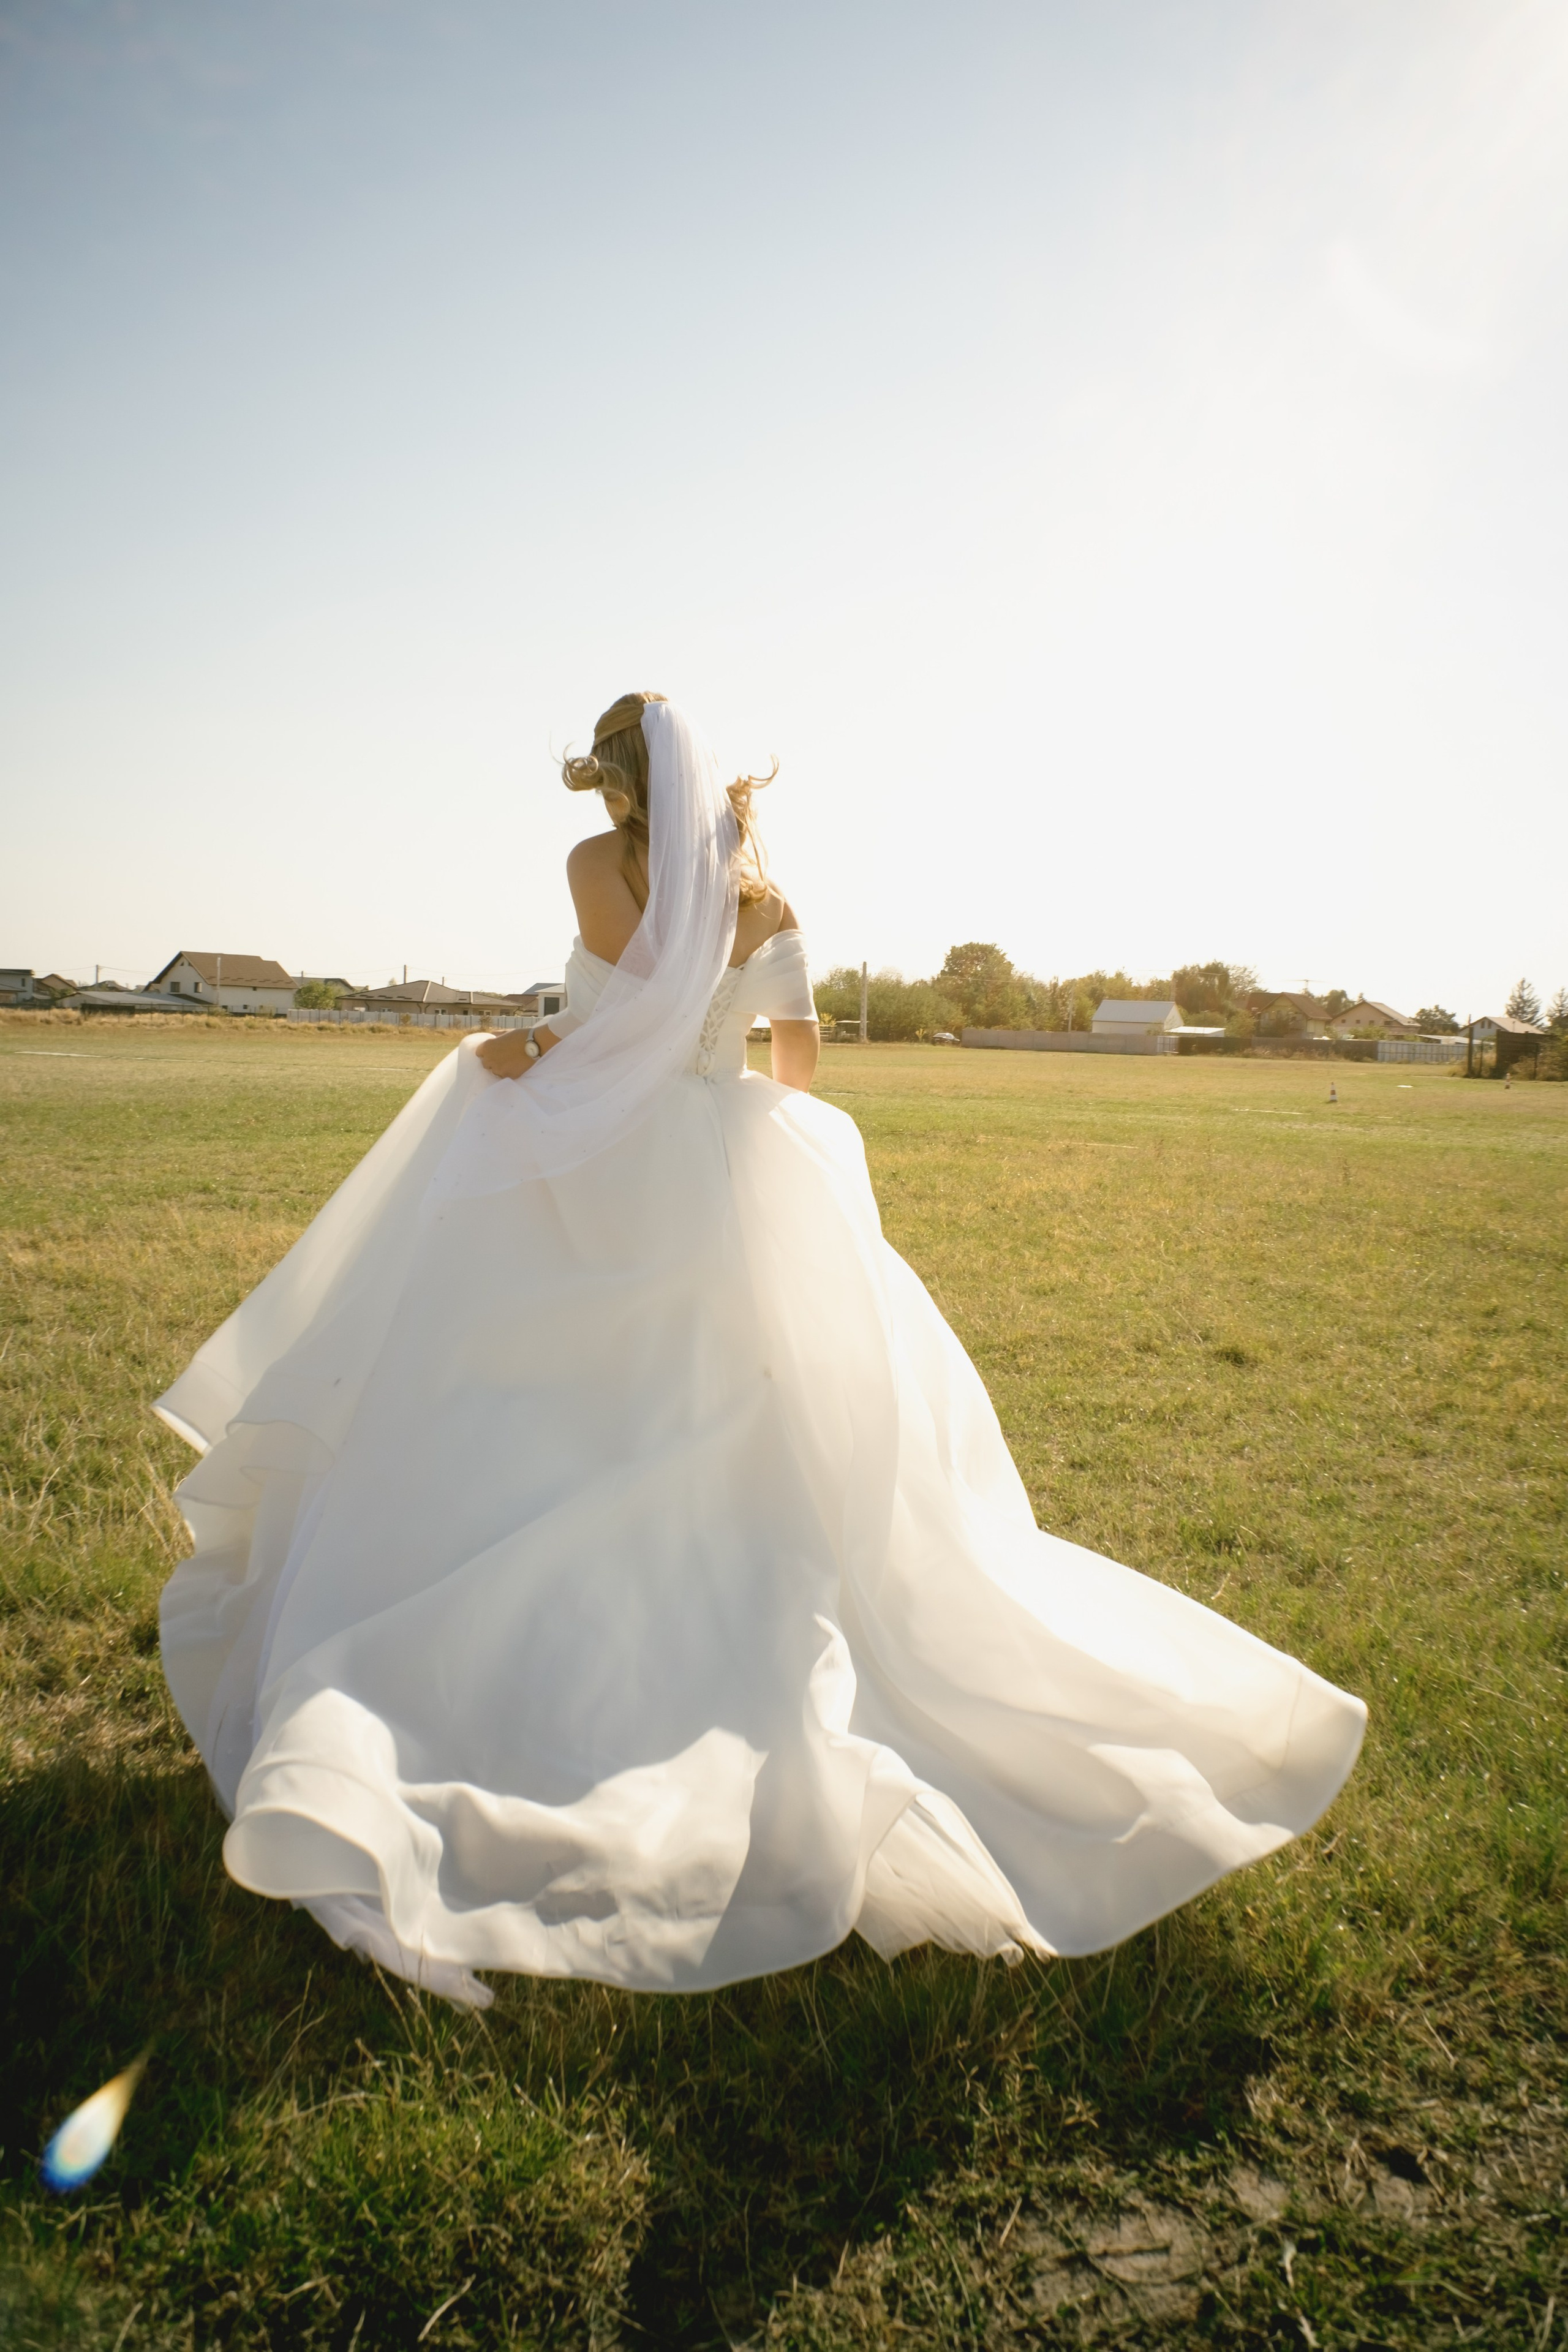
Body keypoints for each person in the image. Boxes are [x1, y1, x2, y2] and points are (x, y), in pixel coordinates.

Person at [156, 693, 1364, 2008]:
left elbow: (612, 1027)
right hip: (724, 1151)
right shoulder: (767, 903)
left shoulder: (594, 868)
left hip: (601, 1151)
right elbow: (792, 1065)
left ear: (619, 792)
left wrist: (521, 1051)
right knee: (739, 1409)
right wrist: (736, 1120)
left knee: (530, 1377)